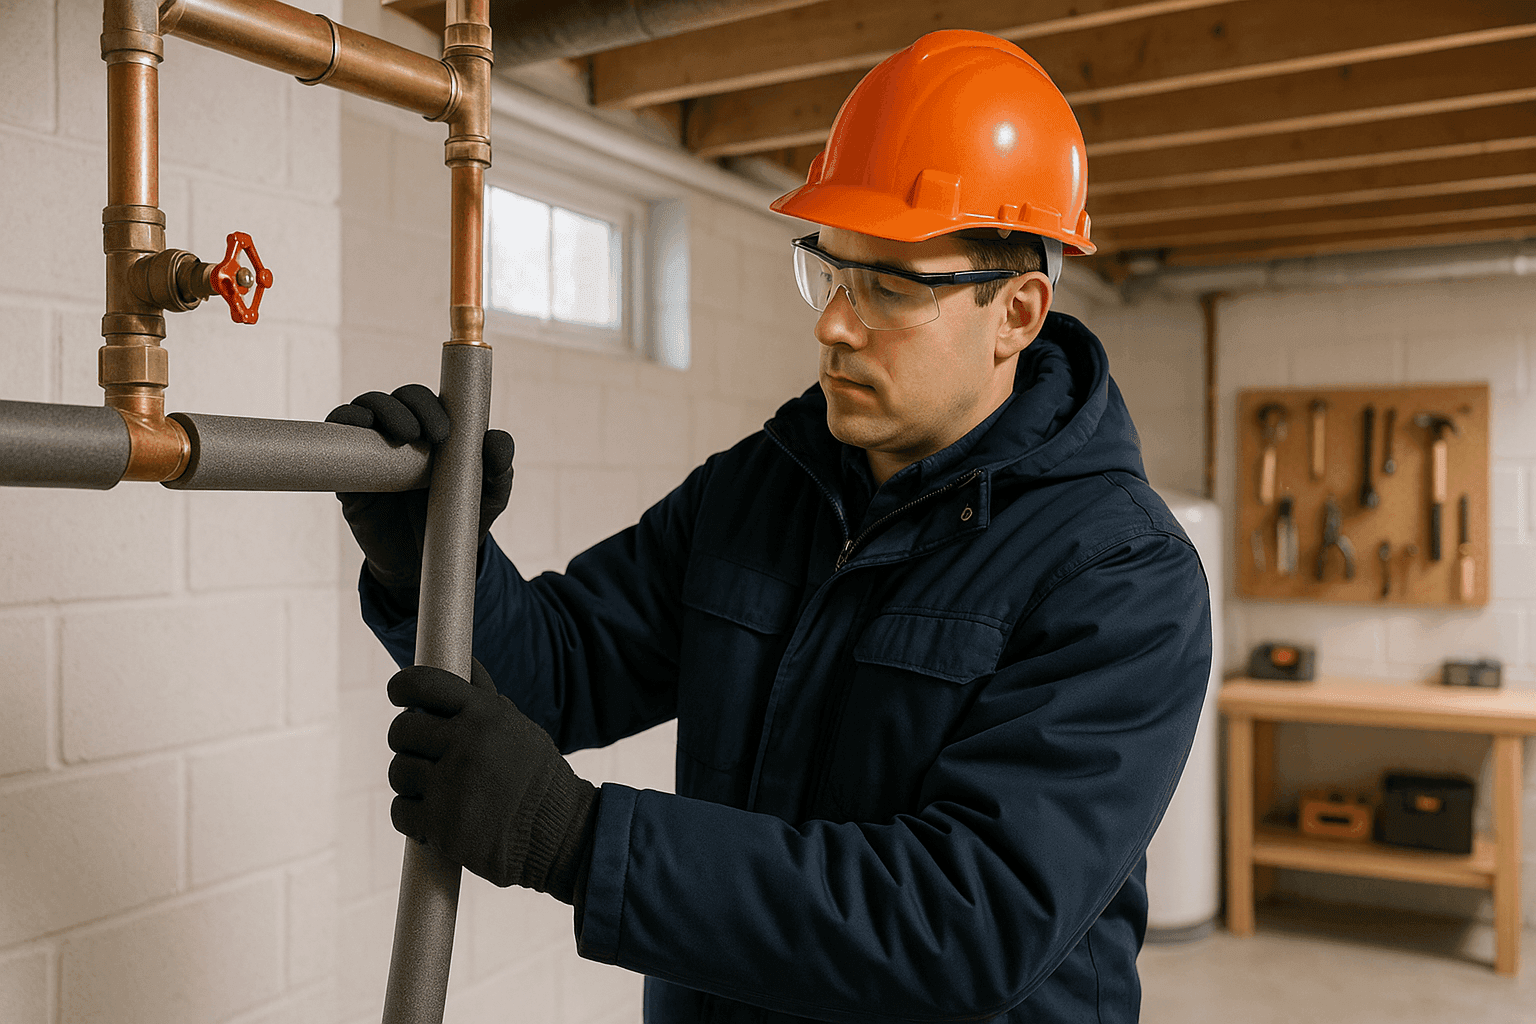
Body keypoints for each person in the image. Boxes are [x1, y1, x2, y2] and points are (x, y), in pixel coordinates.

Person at [332, 29, 1212, 1024]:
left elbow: (970, 916)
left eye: (887, 285)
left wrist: (577, 838)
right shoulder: (768, 484)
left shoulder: (1121, 571)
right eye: (829, 269)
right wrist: (431, 565)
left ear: (1016, 312)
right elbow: (565, 669)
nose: (833, 323)